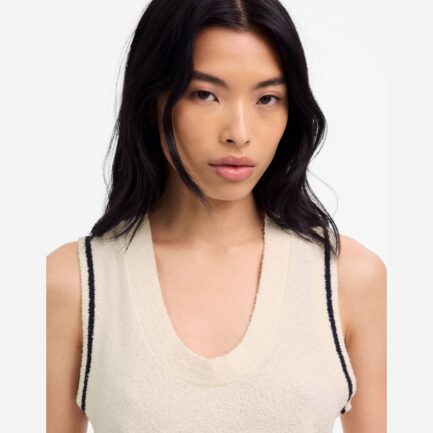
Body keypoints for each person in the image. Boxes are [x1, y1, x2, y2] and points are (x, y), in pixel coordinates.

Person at [47, 0, 387, 432]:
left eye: (267, 98)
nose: (239, 133)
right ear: (152, 102)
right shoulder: (73, 285)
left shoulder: (348, 279)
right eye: (205, 94)